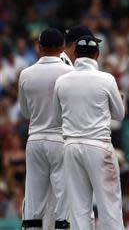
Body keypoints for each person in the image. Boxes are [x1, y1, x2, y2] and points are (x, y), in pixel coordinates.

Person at [53, 35, 125, 230]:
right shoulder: (106, 79)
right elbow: (120, 114)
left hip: (71, 146)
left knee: (78, 208)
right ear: (97, 54)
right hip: (98, 145)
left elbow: (57, 117)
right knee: (109, 205)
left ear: (75, 53)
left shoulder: (62, 81)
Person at [18, 28, 72, 229]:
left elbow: (24, 112)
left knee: (33, 197)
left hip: (35, 139)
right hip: (61, 138)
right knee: (63, 198)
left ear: (39, 47)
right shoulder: (70, 73)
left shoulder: (25, 74)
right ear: (63, 47)